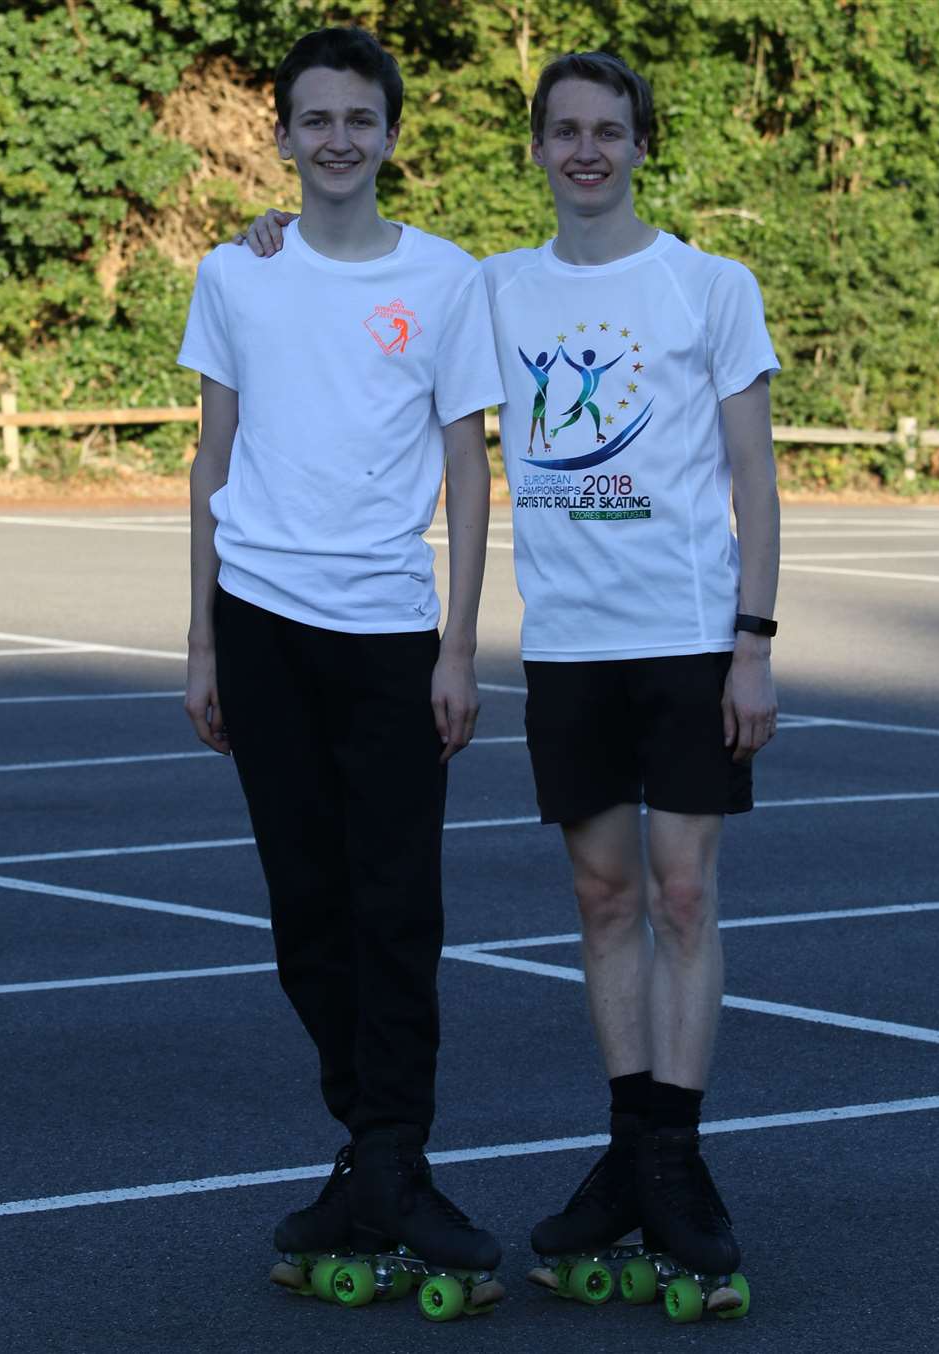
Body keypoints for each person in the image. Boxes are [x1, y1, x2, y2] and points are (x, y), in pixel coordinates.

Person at [240, 47, 780, 1303]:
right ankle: (630, 1151)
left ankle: (675, 1161)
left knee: (685, 894)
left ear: (642, 144)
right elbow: (351, 266)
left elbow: (754, 471)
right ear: (535, 151)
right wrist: (277, 233)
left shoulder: (712, 286)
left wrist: (755, 637)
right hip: (572, 645)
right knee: (603, 900)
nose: (587, 149)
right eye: (565, 131)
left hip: (693, 633)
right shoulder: (488, 290)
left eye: (610, 129)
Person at [179, 26, 506, 1291]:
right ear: (281, 137)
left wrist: (460, 646)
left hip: (388, 637)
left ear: (388, 134)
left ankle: (393, 1165)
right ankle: (374, 1160)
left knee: (398, 911)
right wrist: (201, 634)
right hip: (260, 624)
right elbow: (210, 463)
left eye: (358, 119)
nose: (336, 139)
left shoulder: (447, 281)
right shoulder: (236, 273)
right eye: (313, 119)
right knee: (307, 914)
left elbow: (469, 468)